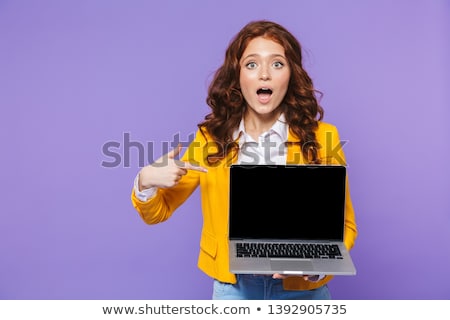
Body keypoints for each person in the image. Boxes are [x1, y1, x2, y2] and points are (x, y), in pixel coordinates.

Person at [131, 20, 357, 300]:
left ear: (292, 74)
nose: (264, 75)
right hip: (232, 289)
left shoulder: (324, 137)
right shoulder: (210, 139)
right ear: (237, 76)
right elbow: (158, 212)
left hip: (302, 292)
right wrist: (146, 181)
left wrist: (315, 267)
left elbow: (344, 225)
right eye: (251, 64)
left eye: (277, 64)